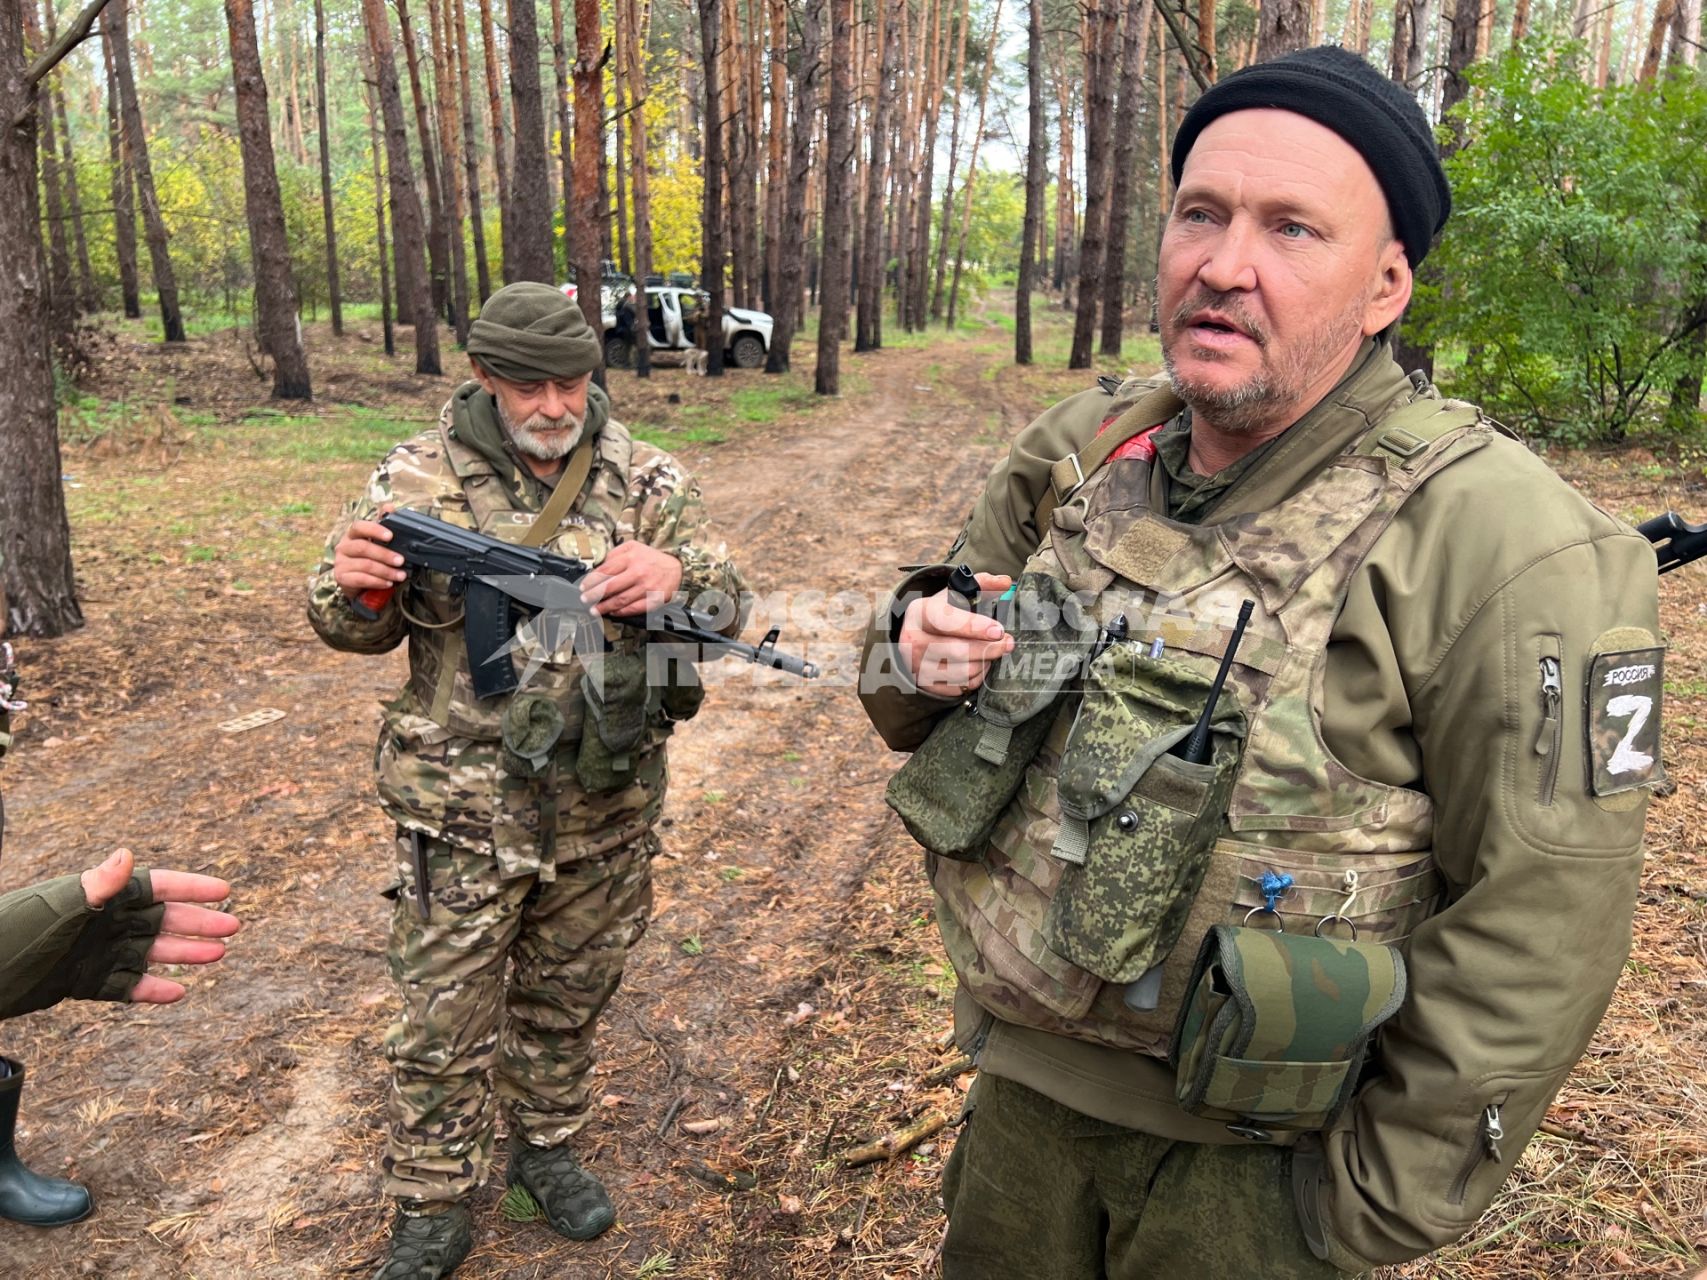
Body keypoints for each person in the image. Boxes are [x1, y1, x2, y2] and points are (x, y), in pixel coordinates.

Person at [860, 46, 1663, 1279]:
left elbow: (1544, 924)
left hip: (1259, 1177)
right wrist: (920, 646)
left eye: (1293, 228)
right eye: (1202, 213)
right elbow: (905, 681)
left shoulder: (1512, 543)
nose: (1224, 265)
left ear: (1386, 282)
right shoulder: (1086, 446)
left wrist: (1361, 1209)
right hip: (1022, 1107)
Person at [308, 282, 746, 1280]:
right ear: (482, 376)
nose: (555, 406)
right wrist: (354, 588)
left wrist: (681, 585)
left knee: (566, 998)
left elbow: (725, 611)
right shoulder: (412, 478)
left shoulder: (647, 480)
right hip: (458, 813)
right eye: (529, 386)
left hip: (602, 805)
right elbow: (346, 620)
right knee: (439, 1017)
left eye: (574, 383)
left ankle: (546, 1149)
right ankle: (430, 1200)